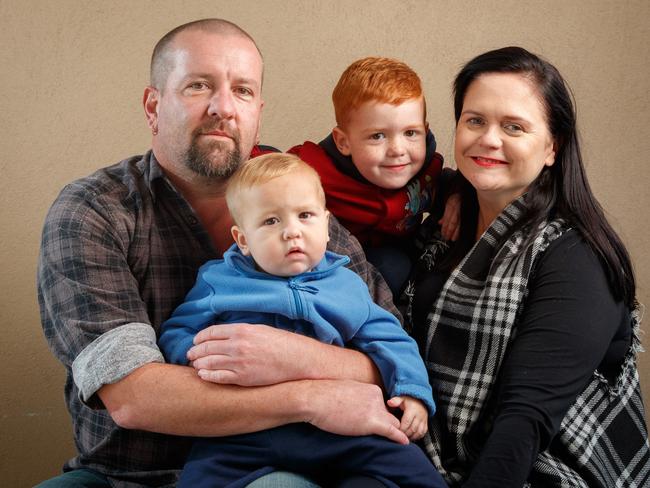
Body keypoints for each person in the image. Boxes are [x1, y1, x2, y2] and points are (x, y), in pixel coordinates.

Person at [37, 19, 413, 488]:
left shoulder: (294, 198)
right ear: (154, 107)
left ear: (257, 110)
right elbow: (134, 395)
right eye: (199, 86)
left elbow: (389, 350)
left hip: (283, 463)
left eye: (242, 90)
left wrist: (293, 357)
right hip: (126, 474)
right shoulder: (93, 210)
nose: (223, 108)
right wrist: (309, 396)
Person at [402, 46, 650, 487]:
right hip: (430, 459)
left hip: (541, 472)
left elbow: (524, 421)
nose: (488, 139)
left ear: (552, 147)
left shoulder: (576, 256)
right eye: (475, 120)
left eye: (513, 126)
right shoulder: (441, 231)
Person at [158, 152, 445, 488]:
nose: (291, 232)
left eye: (305, 216)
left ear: (326, 226)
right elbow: (176, 331)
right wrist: (204, 357)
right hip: (247, 430)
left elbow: (390, 338)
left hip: (338, 425)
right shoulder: (218, 282)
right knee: (198, 477)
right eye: (270, 221)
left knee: (412, 465)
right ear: (243, 240)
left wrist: (412, 392)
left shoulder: (347, 283)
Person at [289, 57, 458, 296]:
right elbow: (269, 173)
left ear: (425, 130)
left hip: (396, 254)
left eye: (411, 132)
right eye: (377, 136)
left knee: (399, 266)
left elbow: (449, 181)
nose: (398, 150)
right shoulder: (313, 170)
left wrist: (458, 195)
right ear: (344, 142)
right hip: (335, 260)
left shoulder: (426, 169)